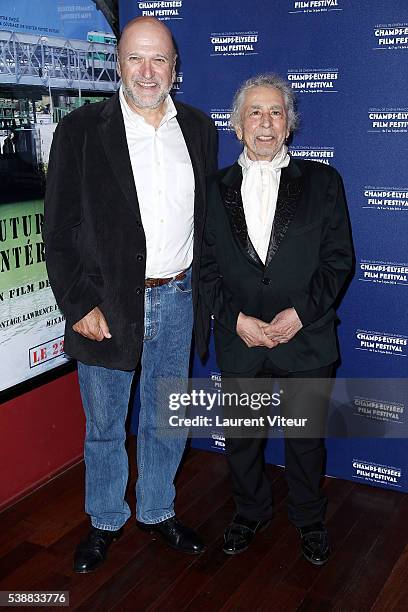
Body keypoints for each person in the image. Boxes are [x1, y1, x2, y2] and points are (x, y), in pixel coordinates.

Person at [43, 16, 217, 573]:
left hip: (179, 296)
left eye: (159, 60)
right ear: (118, 63)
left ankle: (158, 509)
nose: (147, 72)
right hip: (107, 305)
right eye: (136, 59)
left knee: (168, 418)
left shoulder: (198, 127)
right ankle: (105, 520)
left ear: (175, 68)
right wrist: (78, 305)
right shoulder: (80, 130)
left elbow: (206, 220)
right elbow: (60, 230)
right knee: (104, 425)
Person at [200, 74, 353, 565]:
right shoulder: (212, 188)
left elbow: (338, 261)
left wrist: (301, 314)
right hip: (240, 337)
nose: (265, 123)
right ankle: (250, 512)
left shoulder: (324, 182)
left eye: (276, 113)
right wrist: (237, 320)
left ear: (288, 125)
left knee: (306, 441)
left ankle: (309, 518)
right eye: (255, 113)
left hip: (304, 339)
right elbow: (203, 269)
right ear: (237, 126)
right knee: (243, 439)